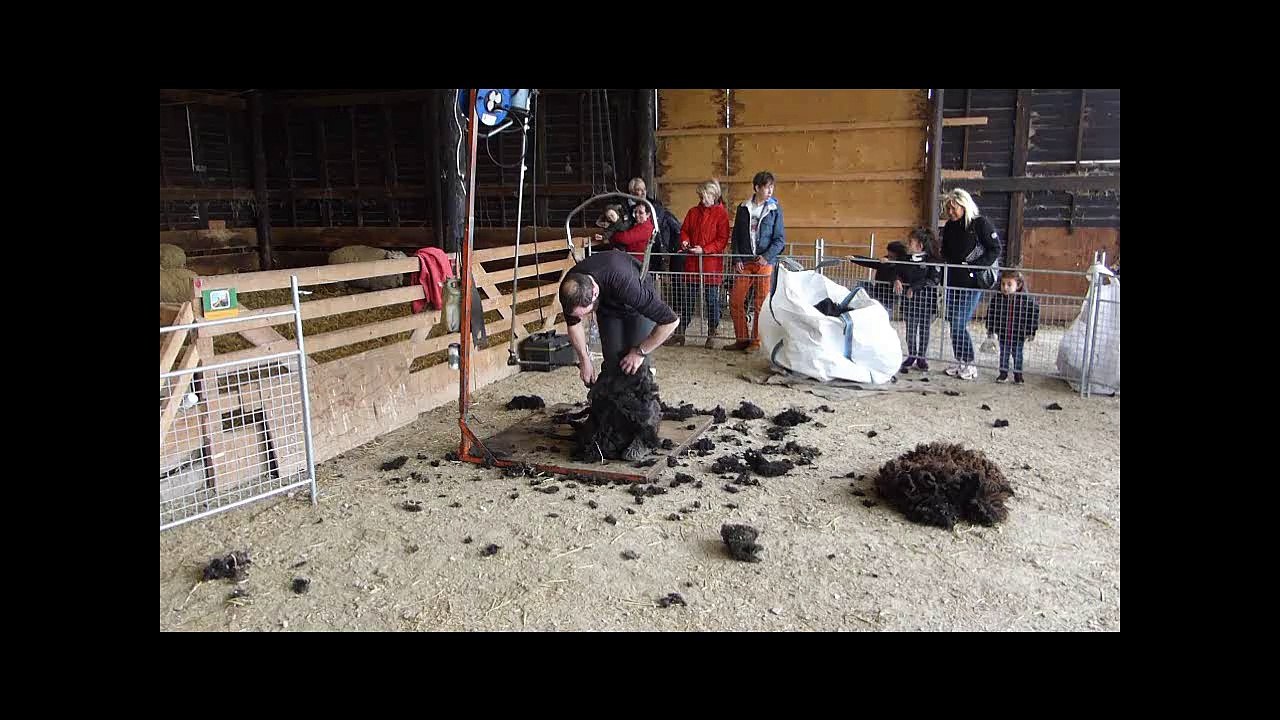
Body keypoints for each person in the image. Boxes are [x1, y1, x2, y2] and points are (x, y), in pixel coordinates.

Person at [558, 250, 679, 388]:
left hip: (636, 307)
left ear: (594, 293)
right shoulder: (570, 289)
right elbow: (574, 325)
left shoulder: (629, 286)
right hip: (608, 308)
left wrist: (640, 352)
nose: (581, 317)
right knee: (613, 362)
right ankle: (612, 405)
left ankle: (643, 405)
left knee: (635, 367)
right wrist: (584, 359)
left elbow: (671, 321)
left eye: (586, 312)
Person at [939, 188, 1002, 380]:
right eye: (948, 208)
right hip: (953, 281)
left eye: (954, 207)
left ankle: (970, 362)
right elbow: (946, 253)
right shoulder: (950, 227)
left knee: (959, 322)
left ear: (964, 205)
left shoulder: (980, 224)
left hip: (972, 284)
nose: (950, 212)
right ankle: (961, 361)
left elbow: (995, 249)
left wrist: (975, 267)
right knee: (953, 322)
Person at [727, 171, 785, 351]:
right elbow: (736, 236)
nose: (770, 191)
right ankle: (742, 338)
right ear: (757, 188)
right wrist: (736, 258)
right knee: (736, 300)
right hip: (745, 261)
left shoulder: (775, 210)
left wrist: (766, 256)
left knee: (760, 303)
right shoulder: (743, 208)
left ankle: (756, 341)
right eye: (767, 187)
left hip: (764, 263)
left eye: (772, 187)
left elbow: (780, 239)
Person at [670, 179, 730, 348]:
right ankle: (680, 333)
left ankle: (712, 332)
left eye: (705, 197)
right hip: (693, 262)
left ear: (714, 196)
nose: (702, 200)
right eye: (701, 197)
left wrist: (704, 250)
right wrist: (685, 242)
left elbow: (722, 240)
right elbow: (684, 231)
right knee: (688, 299)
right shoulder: (693, 212)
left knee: (712, 300)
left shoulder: (721, 214)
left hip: (710, 263)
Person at [894, 227, 942, 373]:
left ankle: (921, 357)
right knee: (910, 330)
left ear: (920, 246)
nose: (907, 245)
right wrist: (897, 280)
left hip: (926, 303)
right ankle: (911, 355)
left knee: (924, 331)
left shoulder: (932, 261)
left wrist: (914, 288)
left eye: (910, 242)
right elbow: (898, 272)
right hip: (909, 303)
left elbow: (932, 279)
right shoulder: (904, 260)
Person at [984, 272, 1040, 384]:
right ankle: (1003, 374)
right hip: (1003, 333)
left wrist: (1031, 331)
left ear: (1018, 285)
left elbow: (1033, 316)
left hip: (1019, 334)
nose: (1005, 287)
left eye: (1009, 284)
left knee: (1017, 354)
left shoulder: (1027, 300)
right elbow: (991, 314)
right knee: (1004, 354)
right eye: (1003, 284)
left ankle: (1018, 375)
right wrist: (991, 329)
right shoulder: (997, 299)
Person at [624, 177, 682, 272]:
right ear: (631, 191)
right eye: (639, 190)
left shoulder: (655, 205)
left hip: (654, 246)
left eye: (644, 189)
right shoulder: (625, 207)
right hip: (634, 250)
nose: (643, 192)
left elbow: (663, 225)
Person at [846, 241, 909, 316]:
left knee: (883, 317)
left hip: (889, 298)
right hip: (878, 292)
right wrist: (854, 258)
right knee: (861, 285)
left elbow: (898, 272)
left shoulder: (903, 264)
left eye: (891, 252)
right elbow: (870, 262)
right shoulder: (885, 260)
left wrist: (889, 263)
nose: (888, 254)